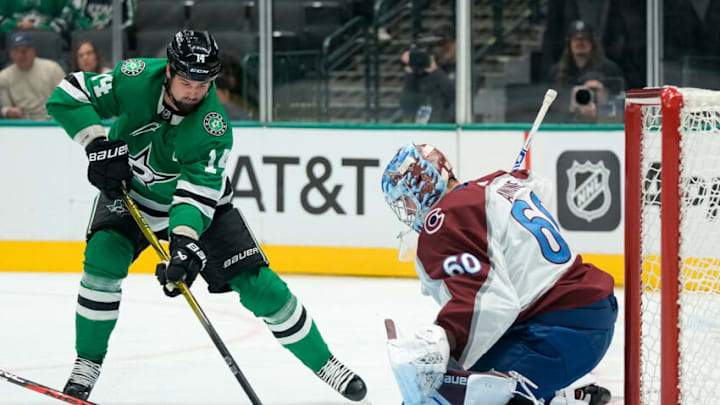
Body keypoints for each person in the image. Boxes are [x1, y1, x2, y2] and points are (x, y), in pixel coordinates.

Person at [45, 29, 367, 402]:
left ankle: (325, 363)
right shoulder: (134, 78)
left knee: (260, 286)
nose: (194, 93)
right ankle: (87, 363)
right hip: (132, 196)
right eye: (186, 82)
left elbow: (195, 195)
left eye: (203, 84)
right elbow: (66, 95)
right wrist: (97, 144)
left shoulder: (214, 128)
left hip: (202, 208)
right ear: (168, 71)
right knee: (102, 263)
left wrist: (184, 245)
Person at [380, 143, 616, 405]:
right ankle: (568, 390)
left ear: (425, 183)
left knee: (450, 395)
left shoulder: (445, 218)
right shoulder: (500, 182)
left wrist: (444, 347)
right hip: (584, 313)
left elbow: (489, 304)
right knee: (467, 379)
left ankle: (555, 392)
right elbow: (542, 187)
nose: (409, 211)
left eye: (408, 200)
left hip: (557, 331)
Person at [0, 31, 65, 119]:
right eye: (16, 51)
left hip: (51, 122)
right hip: (22, 124)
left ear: (33, 51)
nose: (20, 55)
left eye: (24, 51)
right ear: (10, 54)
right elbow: (5, 108)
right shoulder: (4, 76)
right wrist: (10, 112)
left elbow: (66, 100)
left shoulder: (53, 69)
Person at [399, 24, 455, 124]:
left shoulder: (466, 71)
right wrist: (410, 74)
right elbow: (407, 106)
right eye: (437, 46)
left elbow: (456, 96)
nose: (441, 49)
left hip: (448, 131)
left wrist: (435, 71)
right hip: (423, 129)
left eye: (445, 45)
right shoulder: (425, 70)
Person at [547, 20, 622, 89]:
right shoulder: (556, 71)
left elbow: (617, 97)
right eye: (576, 39)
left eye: (585, 39)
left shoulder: (609, 69)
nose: (580, 43)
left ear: (592, 43)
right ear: (569, 43)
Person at [0, 0, 69, 34]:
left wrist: (37, 27)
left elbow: (63, 22)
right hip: (13, 37)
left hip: (47, 38)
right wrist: (16, 24)